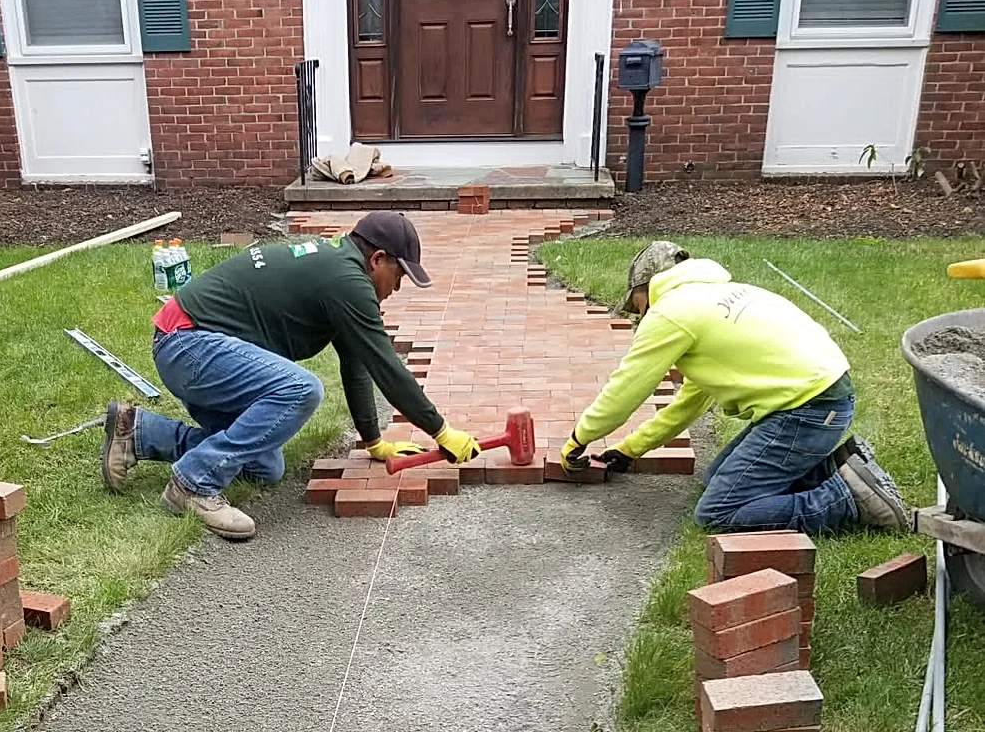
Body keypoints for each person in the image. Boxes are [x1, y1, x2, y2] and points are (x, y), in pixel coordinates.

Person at [99, 211, 481, 541]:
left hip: (192, 348)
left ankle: (140, 433)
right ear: (378, 259)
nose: (397, 288)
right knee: (301, 389)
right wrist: (441, 431)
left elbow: (358, 363)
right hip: (188, 344)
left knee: (264, 467)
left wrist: (375, 443)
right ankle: (192, 484)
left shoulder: (340, 270)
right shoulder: (347, 281)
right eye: (399, 276)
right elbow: (387, 366)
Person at [558, 241, 907, 535]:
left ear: (646, 288)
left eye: (634, 302)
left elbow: (625, 390)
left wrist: (580, 437)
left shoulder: (669, 312)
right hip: (825, 402)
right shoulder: (715, 297)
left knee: (718, 511)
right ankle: (841, 469)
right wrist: (632, 448)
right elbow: (690, 403)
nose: (637, 313)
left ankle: (844, 499)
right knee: (714, 480)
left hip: (806, 413)